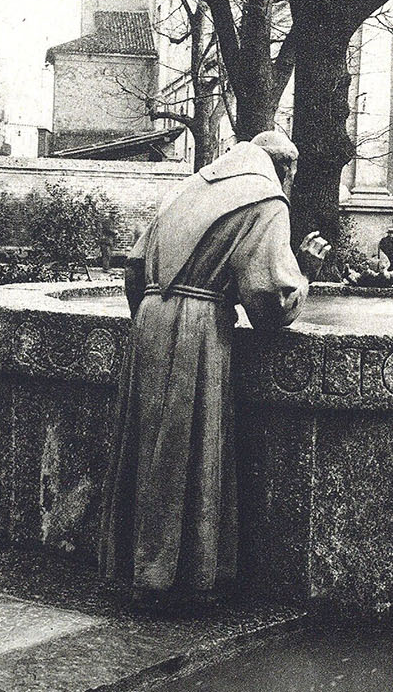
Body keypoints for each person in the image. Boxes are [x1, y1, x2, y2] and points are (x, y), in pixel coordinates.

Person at [99, 131, 330, 608]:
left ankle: (137, 565)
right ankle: (175, 577)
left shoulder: (189, 187)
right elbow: (268, 299)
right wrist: (304, 272)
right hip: (197, 327)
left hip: (149, 320)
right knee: (186, 446)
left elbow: (134, 268)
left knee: (149, 446)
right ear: (284, 169)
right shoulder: (266, 199)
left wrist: (151, 317)